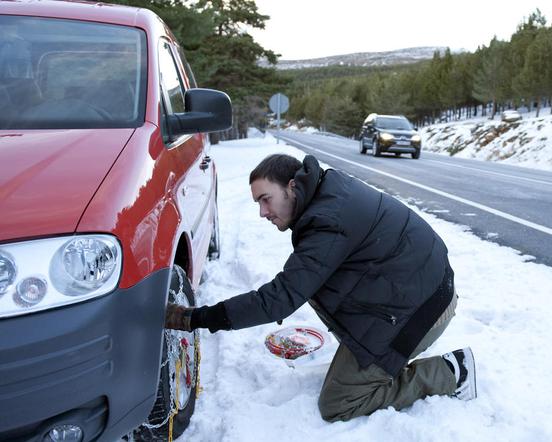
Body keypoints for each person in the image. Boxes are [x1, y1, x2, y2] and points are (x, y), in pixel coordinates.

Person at [165, 153, 476, 422]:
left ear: (291, 186)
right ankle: (378, 362)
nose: (262, 212)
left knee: (338, 402)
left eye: (265, 199)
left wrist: (197, 318)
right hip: (416, 288)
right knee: (319, 288)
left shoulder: (328, 221)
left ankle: (451, 372)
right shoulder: (326, 194)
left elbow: (280, 298)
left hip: (423, 308)